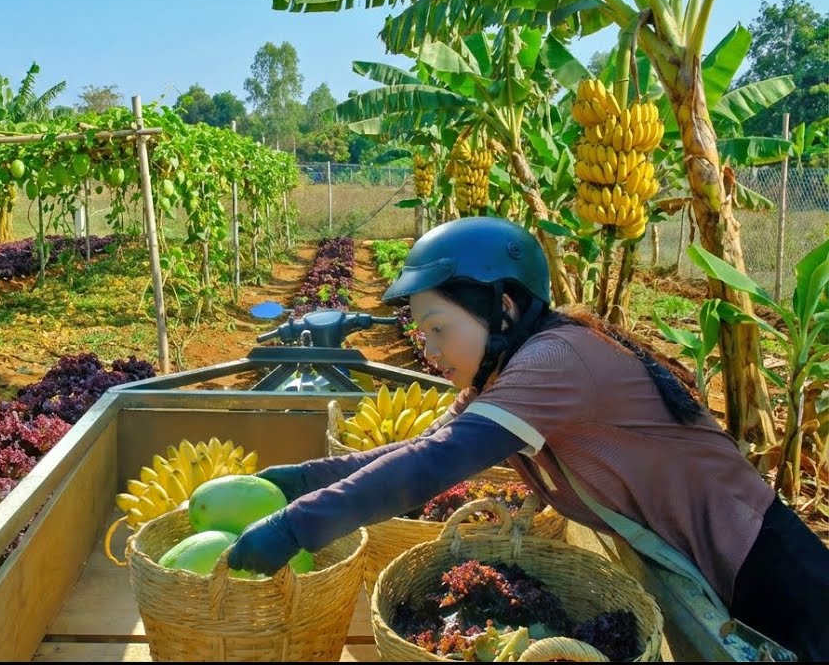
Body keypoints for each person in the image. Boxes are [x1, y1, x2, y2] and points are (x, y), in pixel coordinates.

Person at [226, 216, 829, 661]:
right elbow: (419, 448)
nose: (429, 350)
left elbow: (435, 464)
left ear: (506, 308)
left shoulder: (556, 360)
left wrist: (295, 528)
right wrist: (301, 480)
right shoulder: (508, 374)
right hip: (710, 558)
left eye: (438, 328)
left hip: (763, 564)